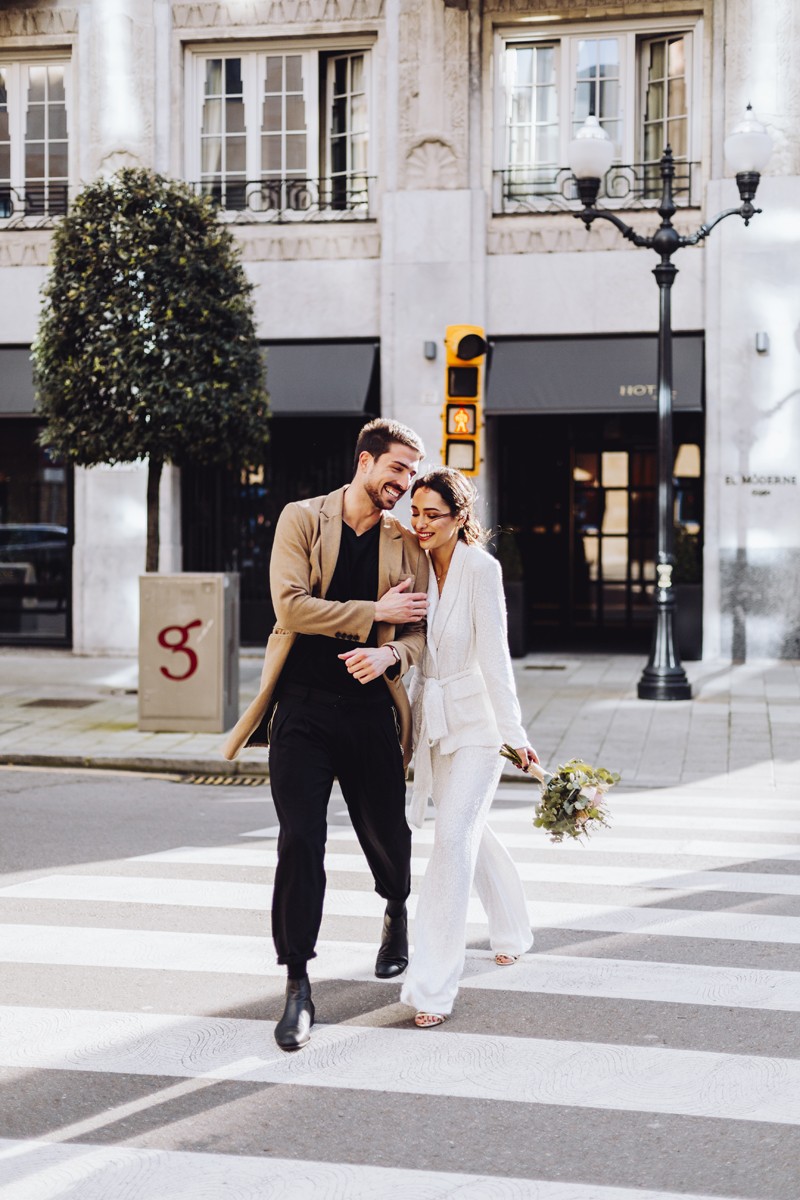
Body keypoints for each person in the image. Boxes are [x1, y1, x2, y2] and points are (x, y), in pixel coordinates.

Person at [222, 419, 429, 1051]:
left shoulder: (405, 542)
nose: (403, 484)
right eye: (395, 469)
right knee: (299, 842)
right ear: (365, 462)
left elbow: (422, 631)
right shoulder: (302, 519)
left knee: (387, 835)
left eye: (411, 474)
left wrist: (393, 656)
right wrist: (375, 615)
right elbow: (290, 606)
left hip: (370, 711)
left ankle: (395, 908)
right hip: (302, 709)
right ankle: (298, 985)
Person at [400, 467, 538, 1028]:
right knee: (469, 830)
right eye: (415, 512)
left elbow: (496, 659)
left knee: (452, 841)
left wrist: (515, 736)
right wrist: (404, 732)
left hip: (479, 728)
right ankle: (512, 928)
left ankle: (432, 985)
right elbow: (411, 652)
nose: (421, 523)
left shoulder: (483, 569)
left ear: (461, 518)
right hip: (433, 725)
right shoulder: (410, 564)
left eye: (433, 514)